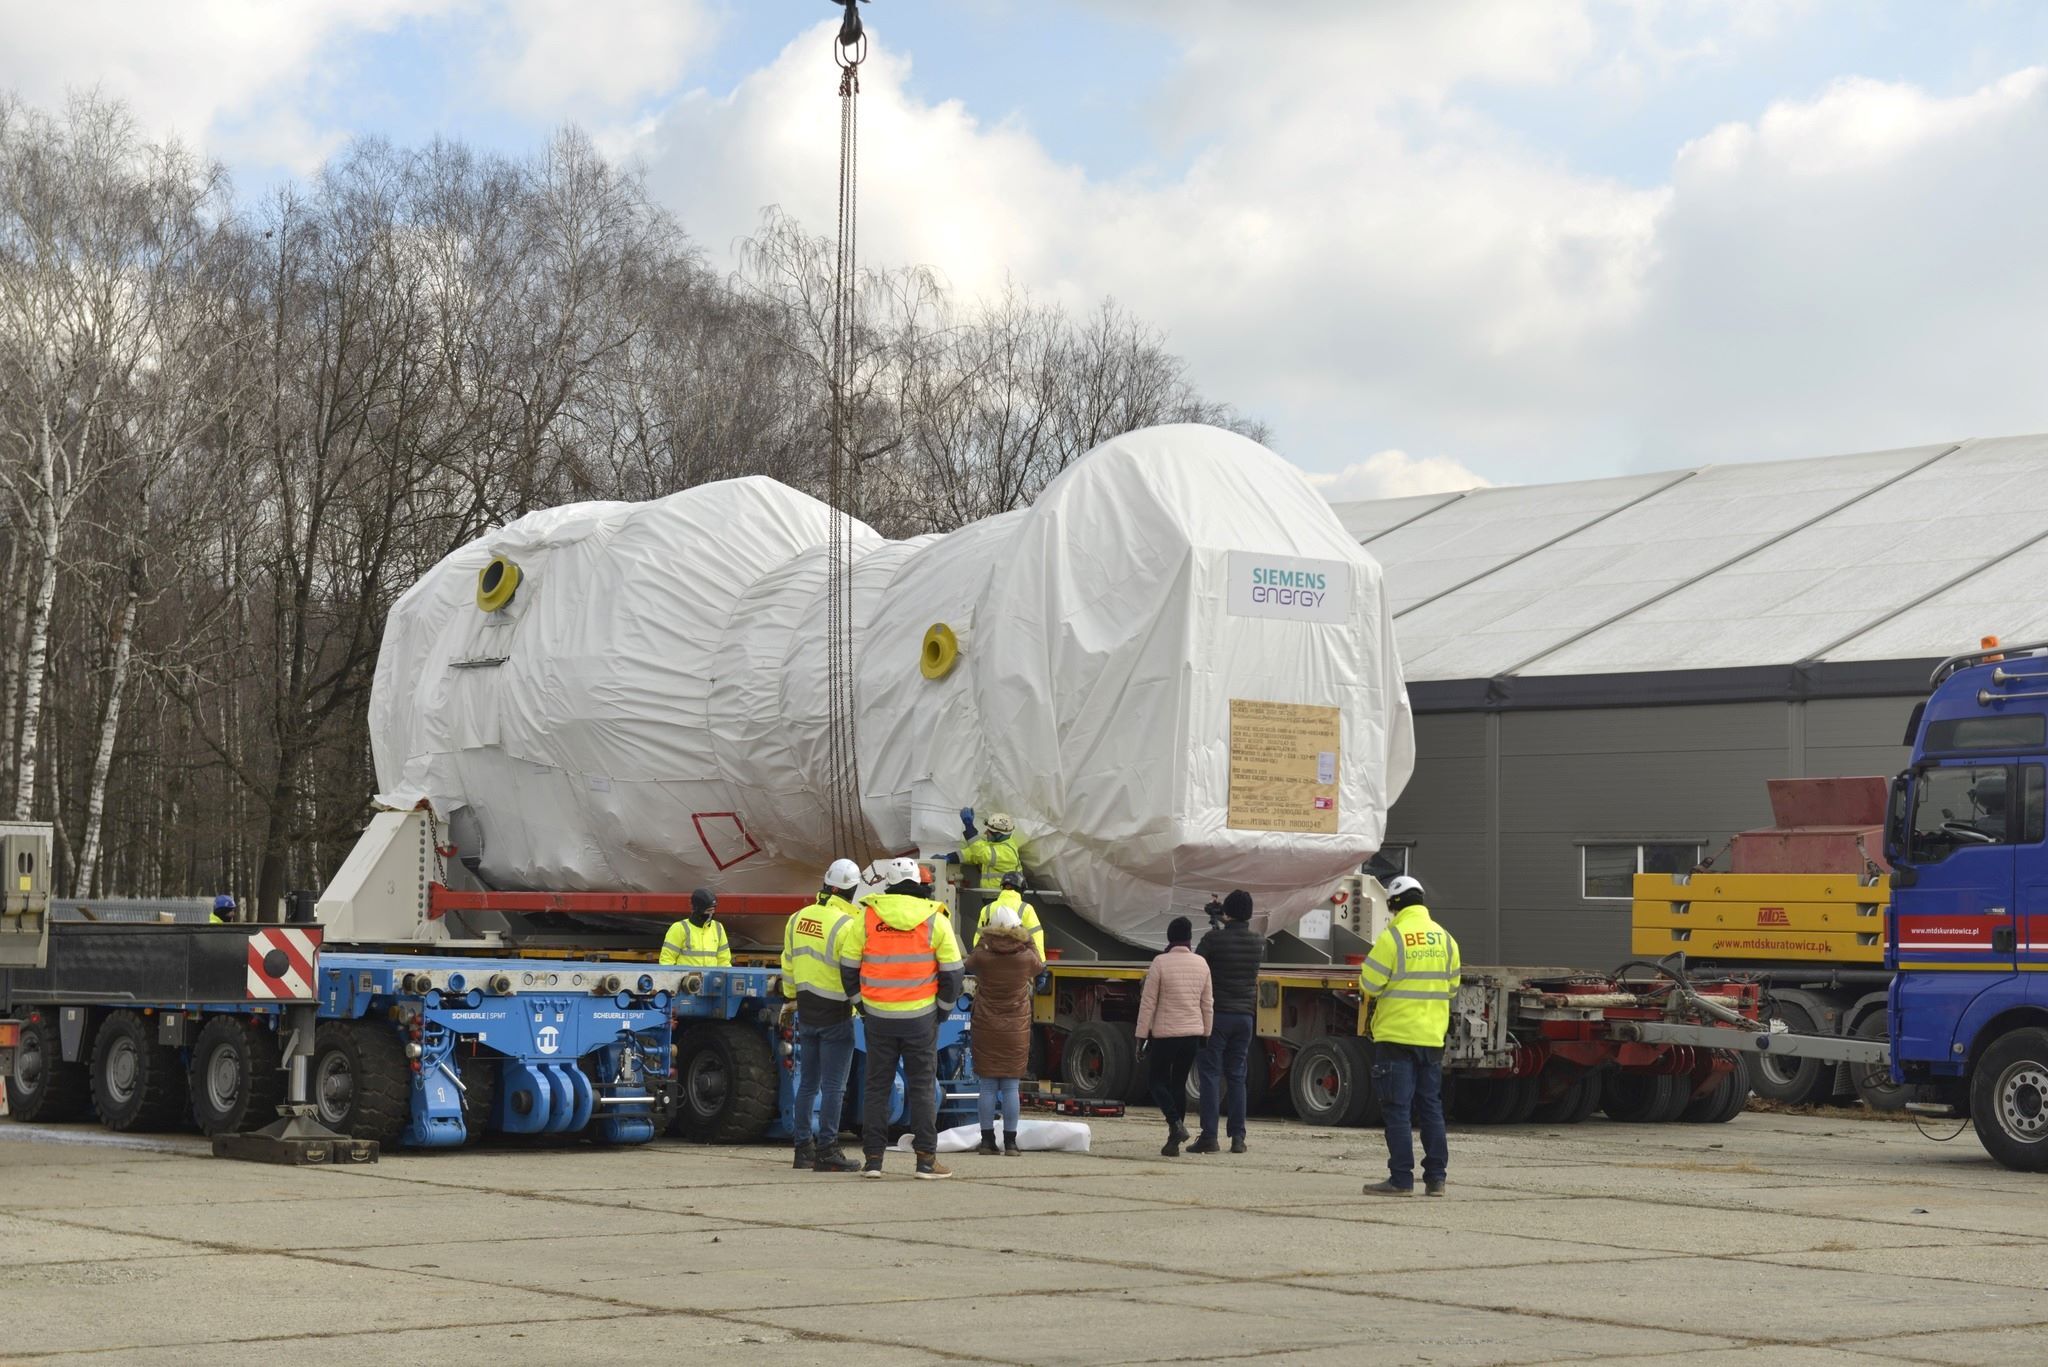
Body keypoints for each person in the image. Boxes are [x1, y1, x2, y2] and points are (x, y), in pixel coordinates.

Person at [840, 856, 965, 1180]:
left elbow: (849, 965)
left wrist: (861, 1005)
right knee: (923, 1086)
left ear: (889, 884)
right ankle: (925, 1160)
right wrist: (943, 1009)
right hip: (921, 1018)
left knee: (877, 1087)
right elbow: (953, 972)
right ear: (919, 884)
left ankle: (873, 1160)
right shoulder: (935, 918)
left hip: (878, 1016)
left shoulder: (868, 915)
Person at [1358, 874, 1461, 1198]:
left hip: (1397, 1036)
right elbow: (1452, 987)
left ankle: (1401, 1179)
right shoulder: (1446, 939)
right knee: (1430, 1107)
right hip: (1431, 1037)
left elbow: (1369, 985)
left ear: (1393, 904)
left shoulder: (1393, 937)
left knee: (1397, 1108)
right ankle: (1436, 1179)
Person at [783, 859, 864, 1173]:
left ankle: (803, 1149)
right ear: (851, 890)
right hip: (836, 1014)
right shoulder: (847, 924)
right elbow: (852, 971)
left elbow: (788, 963)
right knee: (834, 1087)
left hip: (806, 1010)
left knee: (807, 1084)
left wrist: (792, 999)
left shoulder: (797, 918)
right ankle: (828, 1149)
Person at [963, 902, 1044, 1156]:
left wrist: (984, 941)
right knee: (1010, 1087)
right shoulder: (1025, 957)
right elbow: (1039, 963)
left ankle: (987, 1141)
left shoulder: (983, 955)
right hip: (1016, 1027)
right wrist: (1027, 938)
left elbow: (968, 964)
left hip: (986, 1024)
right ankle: (1010, 1142)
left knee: (987, 1087)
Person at [1192, 889, 1261, 1155]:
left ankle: (1209, 1136)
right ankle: (1238, 1137)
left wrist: (1218, 922)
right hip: (1245, 1016)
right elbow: (1235, 937)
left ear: (1227, 912)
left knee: (1210, 1074)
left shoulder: (1213, 939)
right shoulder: (1258, 942)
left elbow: (1199, 965)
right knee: (1237, 1076)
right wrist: (1225, 919)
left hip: (1217, 1014)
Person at [1136, 916, 1212, 1157]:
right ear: (1190, 938)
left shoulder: (1160, 962)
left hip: (1166, 1034)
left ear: (1169, 937)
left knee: (1156, 1081)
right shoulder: (1202, 964)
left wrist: (1141, 1035)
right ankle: (1173, 1142)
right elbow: (1207, 1003)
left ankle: (1175, 1124)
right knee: (1178, 1084)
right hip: (1191, 1034)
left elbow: (1148, 1003)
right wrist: (1206, 1032)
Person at [978, 871, 1045, 958]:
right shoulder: (1026, 908)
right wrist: (1040, 964)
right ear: (1021, 889)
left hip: (991, 961)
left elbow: (979, 939)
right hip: (1018, 960)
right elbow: (1036, 938)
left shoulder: (986, 909)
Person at [659, 888, 731, 966]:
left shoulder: (718, 928)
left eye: (712, 910)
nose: (711, 914)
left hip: (710, 978)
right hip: (686, 978)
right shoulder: (679, 928)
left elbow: (724, 961)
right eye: (708, 911)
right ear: (697, 910)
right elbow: (667, 960)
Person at [956, 808, 1024, 889]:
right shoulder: (995, 845)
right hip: (993, 896)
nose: (985, 833)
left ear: (999, 834)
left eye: (989, 831)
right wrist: (951, 857)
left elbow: (982, 853)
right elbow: (973, 854)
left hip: (1003, 896)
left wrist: (969, 825)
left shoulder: (1007, 852)